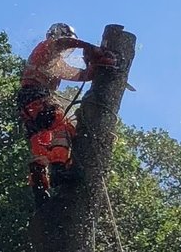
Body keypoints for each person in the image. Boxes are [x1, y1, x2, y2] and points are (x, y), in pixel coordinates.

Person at [17, 23, 116, 207]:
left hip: (27, 103)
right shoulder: (46, 47)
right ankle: (59, 169)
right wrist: (93, 49)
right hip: (36, 96)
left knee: (42, 144)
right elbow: (63, 42)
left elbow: (82, 75)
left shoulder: (55, 63)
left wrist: (94, 67)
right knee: (63, 128)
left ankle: (40, 190)